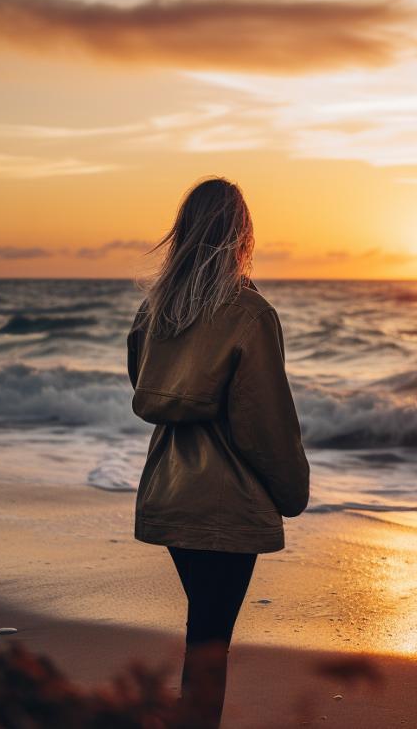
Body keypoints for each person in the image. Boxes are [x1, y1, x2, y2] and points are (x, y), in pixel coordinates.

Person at [125, 176, 310, 728]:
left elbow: (145, 386)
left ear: (182, 233)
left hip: (172, 493)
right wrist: (292, 492)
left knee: (203, 631)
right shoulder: (249, 314)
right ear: (241, 233)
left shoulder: (152, 312)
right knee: (210, 640)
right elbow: (264, 422)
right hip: (229, 503)